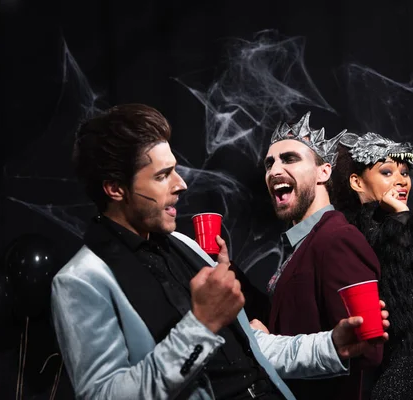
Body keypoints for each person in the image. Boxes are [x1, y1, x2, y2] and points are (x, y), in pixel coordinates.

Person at [50, 104, 389, 400]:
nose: (181, 184)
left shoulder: (185, 247)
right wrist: (200, 325)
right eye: (163, 175)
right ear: (115, 188)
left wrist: (332, 345)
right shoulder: (80, 281)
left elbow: (253, 347)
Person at [330, 131, 413, 399]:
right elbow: (407, 293)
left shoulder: (400, 228)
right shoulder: (363, 236)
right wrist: (402, 218)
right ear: (357, 182)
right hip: (402, 383)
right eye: (387, 172)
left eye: (404, 172)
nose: (401, 181)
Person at [263, 113, 383, 400]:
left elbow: (368, 350)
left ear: (324, 172)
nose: (274, 170)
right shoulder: (306, 242)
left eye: (289, 158)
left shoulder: (337, 239)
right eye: (269, 163)